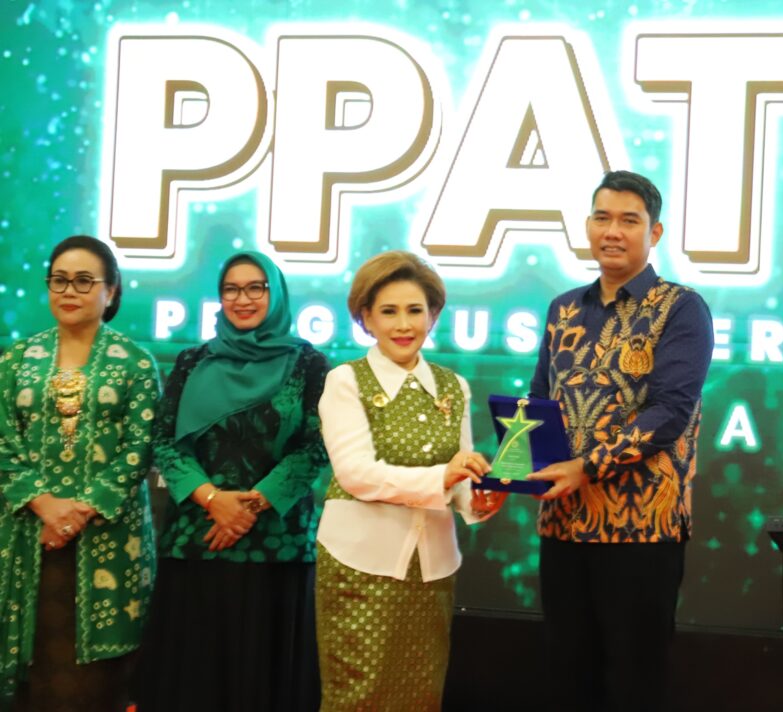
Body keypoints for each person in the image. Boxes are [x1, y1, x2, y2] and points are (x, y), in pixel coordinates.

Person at [527, 170, 714, 711]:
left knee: (634, 681)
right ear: (588, 225)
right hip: (563, 525)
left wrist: (584, 467)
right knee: (567, 675)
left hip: (641, 532)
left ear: (654, 233)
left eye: (629, 221)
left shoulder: (681, 307)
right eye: (602, 218)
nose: (613, 231)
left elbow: (669, 412)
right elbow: (540, 401)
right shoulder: (564, 307)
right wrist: (514, 472)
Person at [136, 252, 329, 712]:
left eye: (256, 287)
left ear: (275, 293)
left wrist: (252, 504)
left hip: (278, 544)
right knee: (195, 675)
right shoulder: (193, 361)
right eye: (231, 289)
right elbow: (163, 440)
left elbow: (316, 445)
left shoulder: (308, 363)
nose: (243, 299)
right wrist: (213, 499)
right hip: (198, 539)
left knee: (267, 677)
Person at [316, 250, 507, 711]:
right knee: (358, 696)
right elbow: (355, 474)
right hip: (359, 563)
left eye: (415, 310)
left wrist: (476, 501)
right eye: (389, 311)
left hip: (433, 569)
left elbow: (458, 474)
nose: (403, 324)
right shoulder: (346, 381)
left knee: (421, 695)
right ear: (365, 318)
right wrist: (443, 476)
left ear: (433, 315)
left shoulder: (453, 386)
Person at [0, 235, 158, 709]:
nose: (70, 291)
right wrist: (44, 504)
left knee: (92, 685)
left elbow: (139, 450)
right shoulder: (15, 360)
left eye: (85, 281)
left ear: (112, 291)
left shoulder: (136, 363)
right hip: (27, 535)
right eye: (60, 280)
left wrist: (76, 514)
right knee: (31, 672)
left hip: (107, 540)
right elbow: (2, 439)